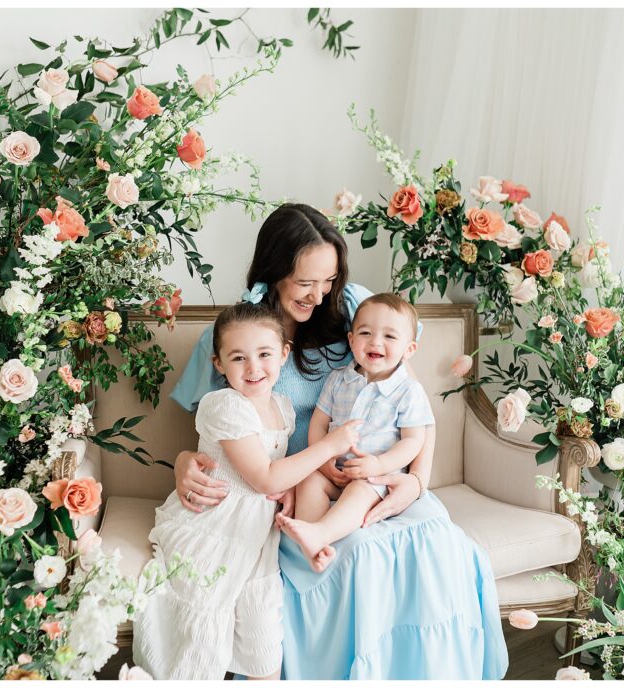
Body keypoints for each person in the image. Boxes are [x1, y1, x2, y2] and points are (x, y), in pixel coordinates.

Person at [169, 203, 507, 679]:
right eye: (306, 282)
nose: (320, 293)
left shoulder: (355, 308)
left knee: (437, 542)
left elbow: (414, 404)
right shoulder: (237, 335)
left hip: (376, 473)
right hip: (292, 487)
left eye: (328, 279)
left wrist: (417, 480)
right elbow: (214, 432)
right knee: (357, 556)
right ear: (274, 269)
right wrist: (184, 461)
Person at [133, 303, 363, 679]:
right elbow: (265, 477)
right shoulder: (223, 405)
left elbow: (278, 472)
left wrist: (287, 492)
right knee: (199, 646)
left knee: (265, 650)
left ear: (284, 354)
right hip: (216, 528)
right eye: (238, 358)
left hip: (257, 540)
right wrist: (330, 445)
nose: (254, 368)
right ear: (219, 364)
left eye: (265, 354)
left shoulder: (283, 407)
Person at [277, 293, 435, 573]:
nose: (375, 342)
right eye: (365, 333)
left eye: (389, 336)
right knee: (309, 481)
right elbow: (319, 422)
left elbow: (414, 440)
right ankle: (311, 539)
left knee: (360, 492)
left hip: (376, 478)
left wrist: (379, 464)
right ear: (351, 341)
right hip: (336, 471)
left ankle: (323, 533)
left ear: (409, 349)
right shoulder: (338, 379)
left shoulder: (408, 391)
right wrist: (323, 462)